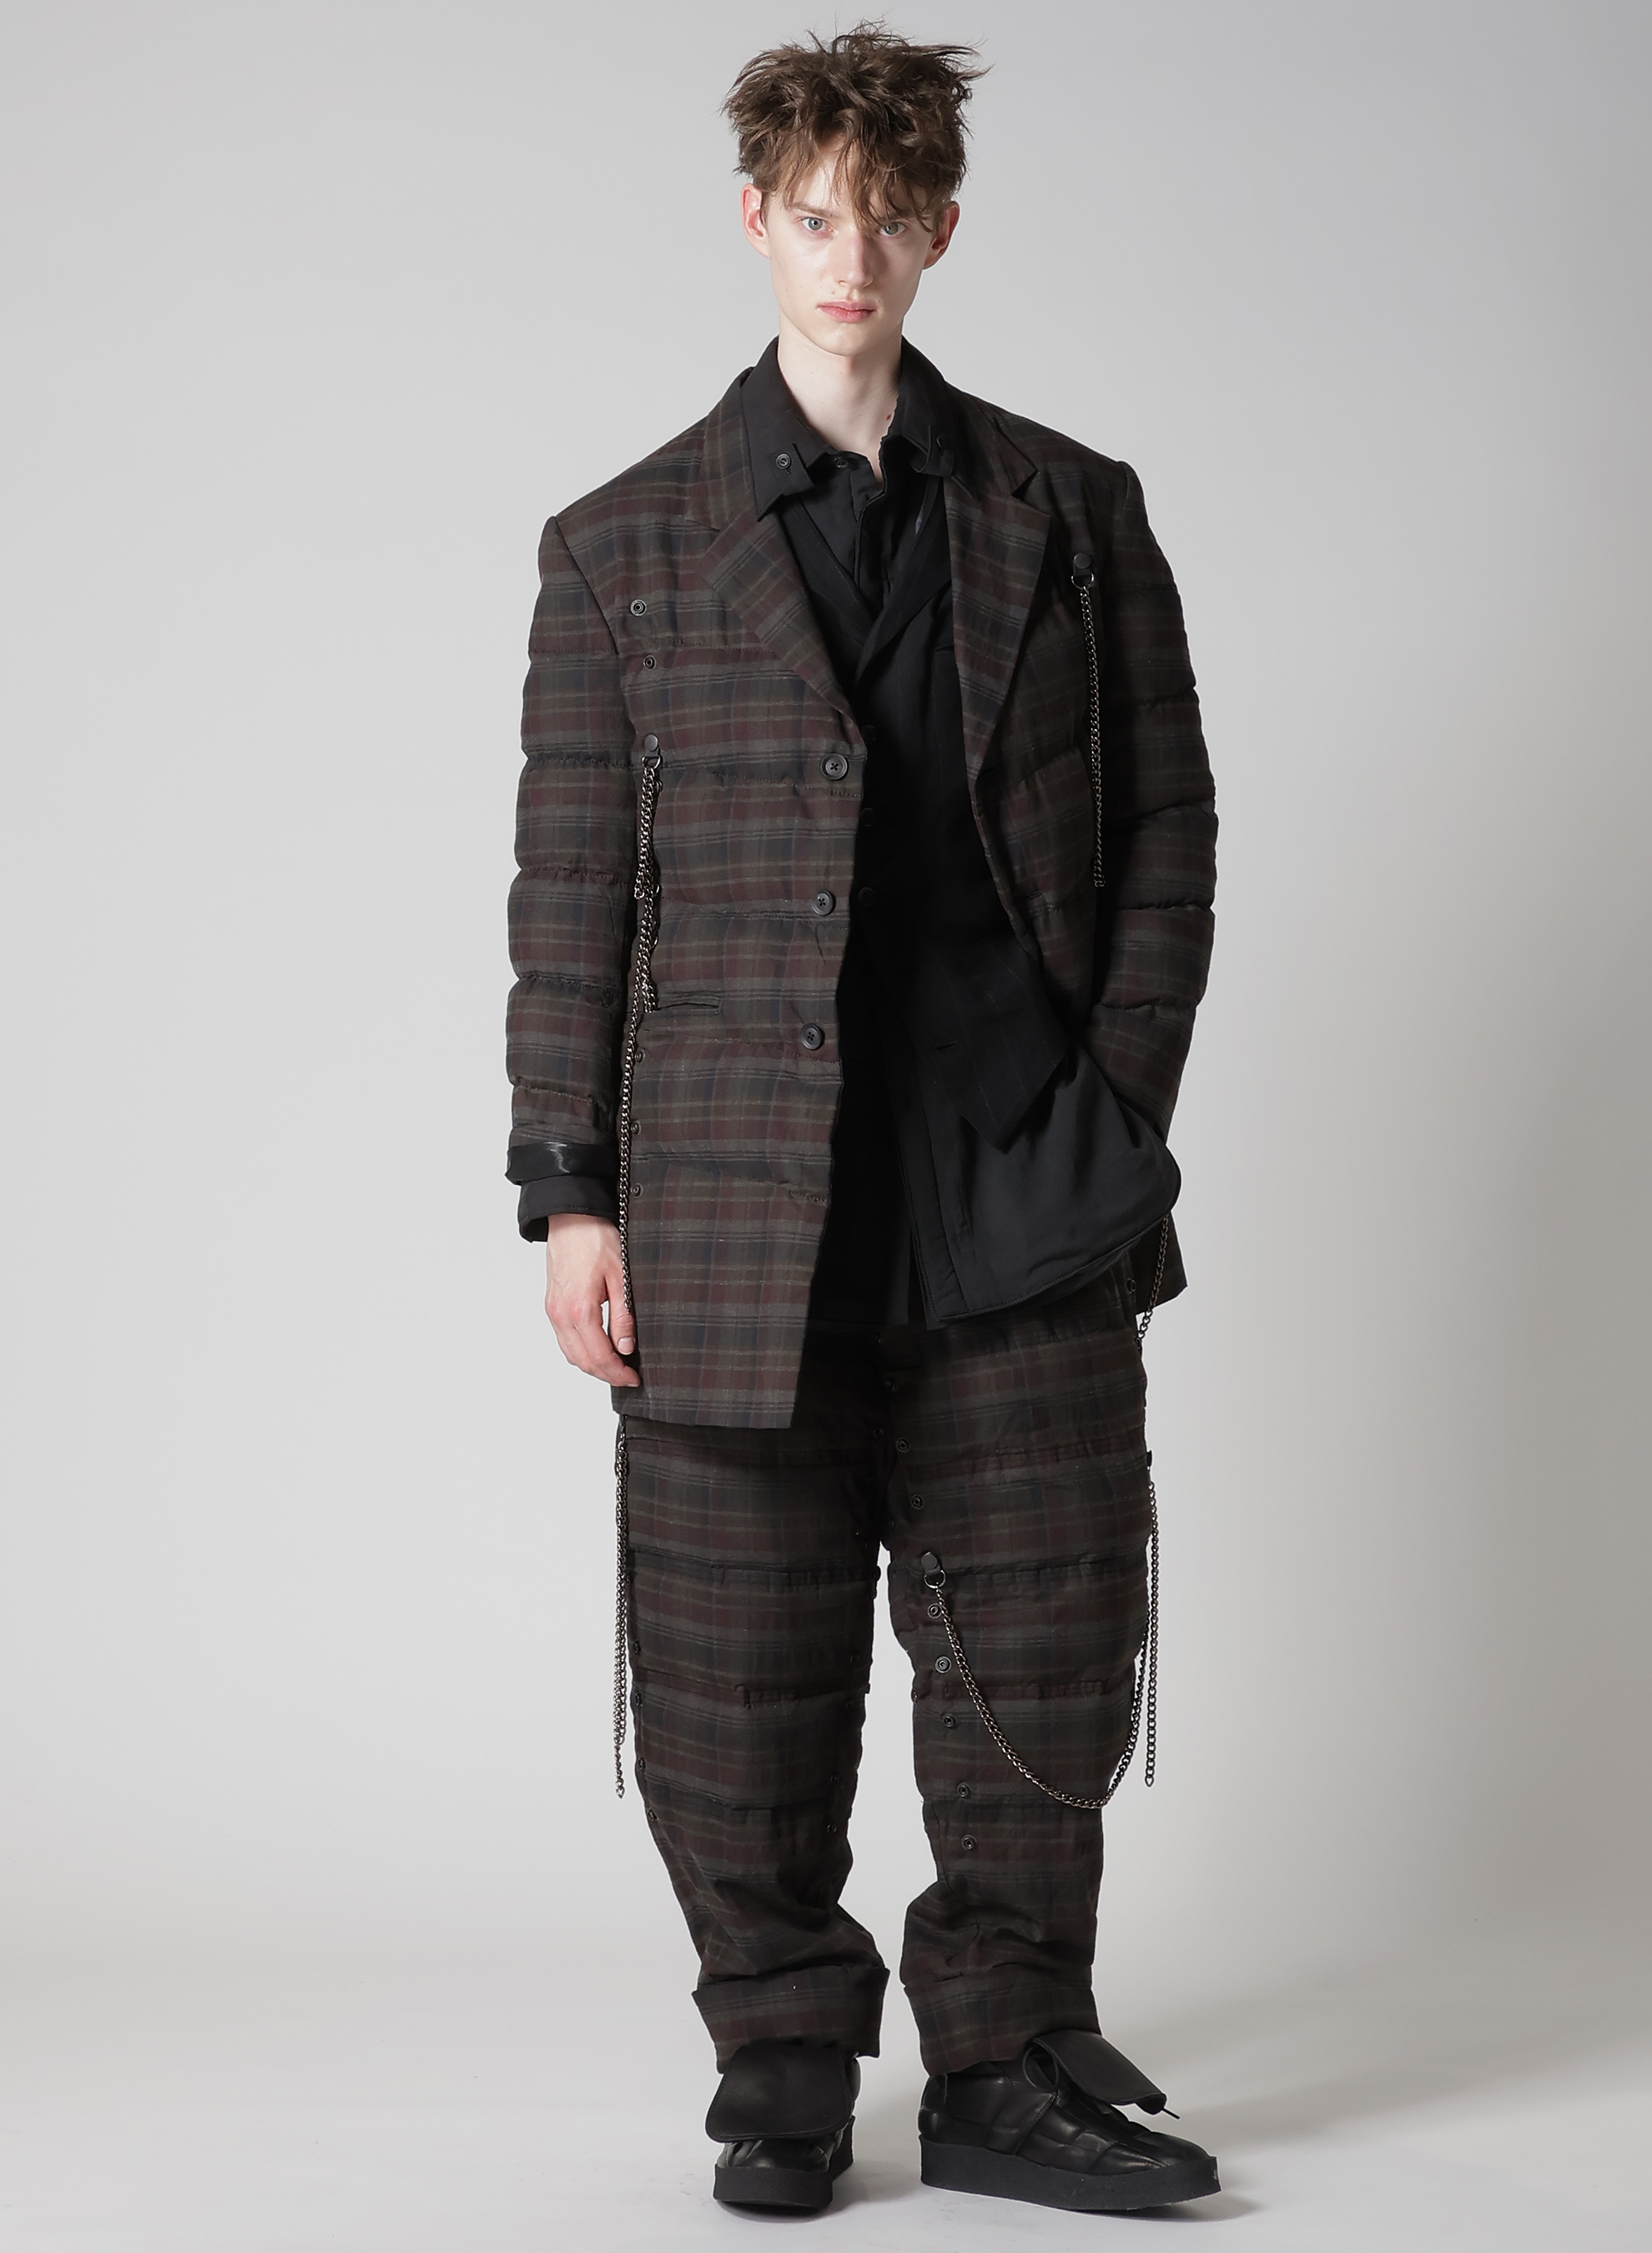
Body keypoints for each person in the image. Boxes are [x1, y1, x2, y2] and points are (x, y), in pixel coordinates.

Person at [505, 23, 1219, 2218]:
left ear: (940, 231)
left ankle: (1006, 2061)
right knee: (740, 1671)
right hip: (732, 1203)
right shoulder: (624, 546)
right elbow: (571, 889)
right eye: (815, 214)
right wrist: (570, 1191)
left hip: (1017, 1175)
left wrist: (1112, 1103)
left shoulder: (1069, 513)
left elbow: (1169, 830)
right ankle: (786, 2066)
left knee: (1038, 1643)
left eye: (889, 218)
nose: (851, 257)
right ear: (755, 218)